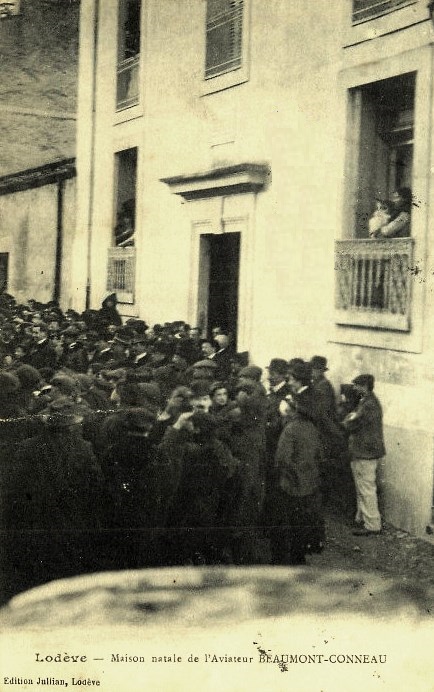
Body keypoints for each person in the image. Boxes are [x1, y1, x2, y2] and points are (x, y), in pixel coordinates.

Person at [269, 392, 324, 565]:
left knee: (284, 523)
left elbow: (281, 459)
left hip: (290, 484)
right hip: (309, 484)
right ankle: (299, 556)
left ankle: (282, 560)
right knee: (302, 523)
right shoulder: (313, 428)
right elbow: (320, 455)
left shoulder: (291, 429)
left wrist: (289, 475)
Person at [342, 374, 386, 536]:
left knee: (366, 488)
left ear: (365, 386)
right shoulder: (367, 401)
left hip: (365, 453)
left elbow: (351, 423)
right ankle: (362, 519)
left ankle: (372, 525)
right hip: (363, 452)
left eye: (357, 385)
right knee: (363, 487)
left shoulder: (368, 404)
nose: (354, 387)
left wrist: (347, 420)